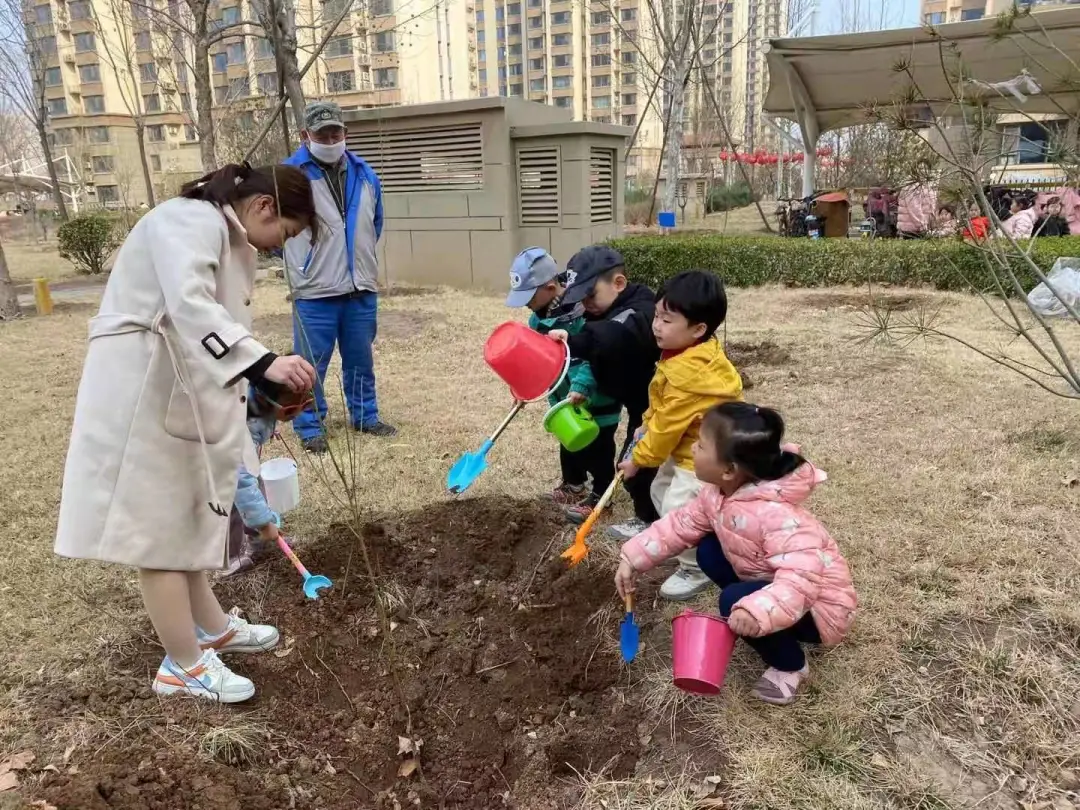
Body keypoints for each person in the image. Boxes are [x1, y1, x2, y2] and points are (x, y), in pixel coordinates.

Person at [55, 163, 319, 704]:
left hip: (176, 390)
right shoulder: (189, 220)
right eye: (285, 235)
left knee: (191, 514)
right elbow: (191, 306)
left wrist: (262, 384)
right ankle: (183, 664)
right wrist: (265, 362)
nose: (278, 248)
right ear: (265, 207)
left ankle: (212, 628)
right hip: (142, 393)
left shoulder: (222, 231)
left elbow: (215, 330)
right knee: (162, 532)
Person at [615, 402, 857, 705]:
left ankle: (791, 666)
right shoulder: (717, 494)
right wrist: (631, 559)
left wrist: (753, 608)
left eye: (701, 446)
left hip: (819, 612)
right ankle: (756, 613)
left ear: (729, 469)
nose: (693, 451)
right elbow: (679, 525)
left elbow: (801, 581)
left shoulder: (779, 518)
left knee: (732, 600)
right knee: (709, 550)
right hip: (775, 587)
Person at [615, 271, 743, 600]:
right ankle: (691, 537)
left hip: (705, 456)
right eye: (657, 316)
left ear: (698, 329)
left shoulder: (691, 374)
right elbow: (662, 405)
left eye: (667, 320)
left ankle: (696, 567)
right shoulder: (682, 354)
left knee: (676, 504)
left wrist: (637, 460)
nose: (657, 325)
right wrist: (645, 421)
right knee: (661, 490)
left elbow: (668, 425)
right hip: (689, 446)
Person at [283, 100, 395, 454]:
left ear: (345, 133)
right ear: (306, 135)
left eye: (336, 132)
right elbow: (275, 231)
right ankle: (309, 424)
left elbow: (373, 224)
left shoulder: (365, 173)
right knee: (308, 365)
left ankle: (365, 415)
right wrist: (306, 262)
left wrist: (356, 261)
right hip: (314, 292)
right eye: (322, 134)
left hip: (360, 288)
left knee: (361, 357)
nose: (330, 139)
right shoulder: (288, 175)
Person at [549, 246, 660, 524]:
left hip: (656, 397)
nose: (584, 304)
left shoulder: (640, 310)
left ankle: (647, 520)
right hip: (631, 392)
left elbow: (610, 336)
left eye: (589, 296)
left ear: (618, 283)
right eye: (579, 297)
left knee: (638, 461)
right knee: (633, 458)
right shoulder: (604, 304)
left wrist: (571, 342)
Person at [505, 247, 621, 511]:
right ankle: (573, 483)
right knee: (569, 441)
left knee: (599, 446)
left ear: (549, 287)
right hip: (563, 397)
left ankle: (602, 495)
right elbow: (537, 359)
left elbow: (598, 352)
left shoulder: (585, 312)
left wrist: (582, 383)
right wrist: (524, 386)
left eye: (528, 296)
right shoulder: (537, 319)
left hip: (596, 396)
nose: (525, 303)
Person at [223, 386, 309, 577]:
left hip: (238, 460)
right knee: (230, 503)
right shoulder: (247, 422)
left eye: (305, 405)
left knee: (255, 487)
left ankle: (260, 540)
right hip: (218, 464)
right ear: (268, 401)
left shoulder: (260, 400)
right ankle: (231, 558)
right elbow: (240, 479)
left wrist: (271, 424)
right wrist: (262, 522)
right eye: (289, 411)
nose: (297, 414)